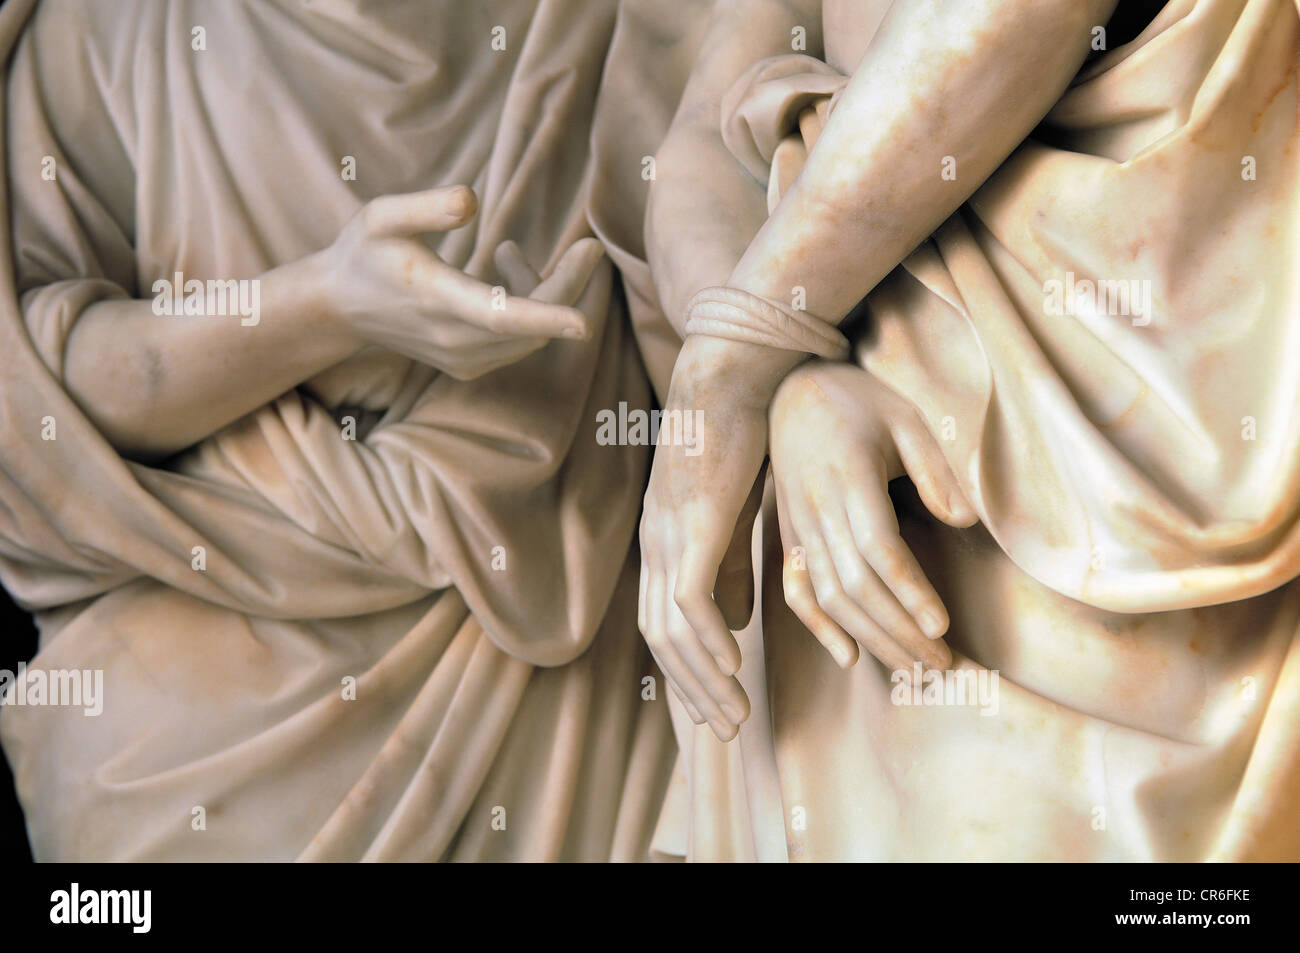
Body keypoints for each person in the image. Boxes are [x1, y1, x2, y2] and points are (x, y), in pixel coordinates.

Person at [611, 0, 1300, 859]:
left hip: (1086, 430)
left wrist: (736, 361)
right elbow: (700, 146)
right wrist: (778, 371)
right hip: (831, 473)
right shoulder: (773, 363)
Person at [0, 0, 673, 861]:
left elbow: (709, 279)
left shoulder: (590, 21)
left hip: (563, 636)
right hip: (195, 683)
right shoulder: (106, 29)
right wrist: (324, 306)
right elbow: (33, 413)